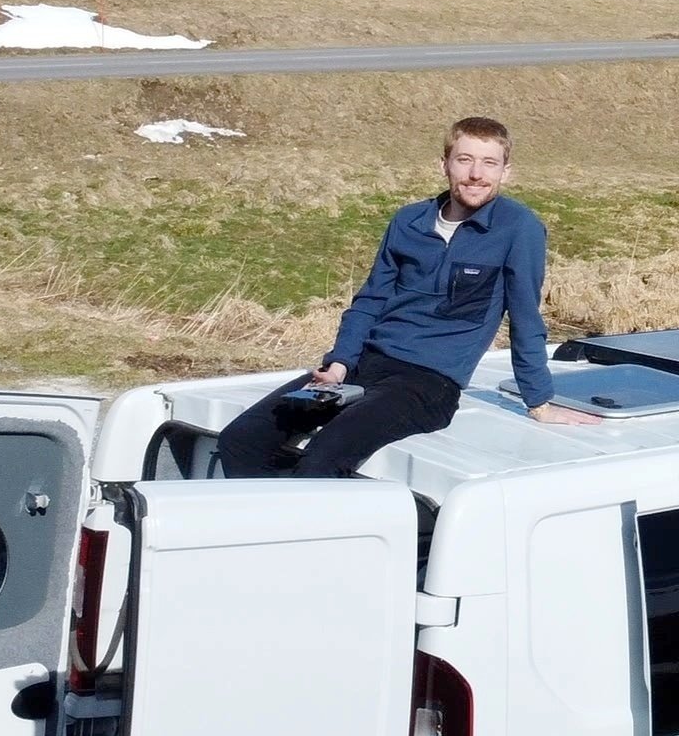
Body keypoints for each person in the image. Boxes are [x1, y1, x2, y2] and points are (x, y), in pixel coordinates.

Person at [217, 115, 598, 479]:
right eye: (464, 160)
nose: (476, 174)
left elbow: (526, 317)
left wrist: (538, 401)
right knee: (241, 440)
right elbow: (369, 301)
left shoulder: (519, 227)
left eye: (489, 163)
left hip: (429, 383)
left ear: (505, 171)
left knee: (323, 456)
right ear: (444, 164)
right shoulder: (408, 221)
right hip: (365, 364)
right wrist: (339, 365)